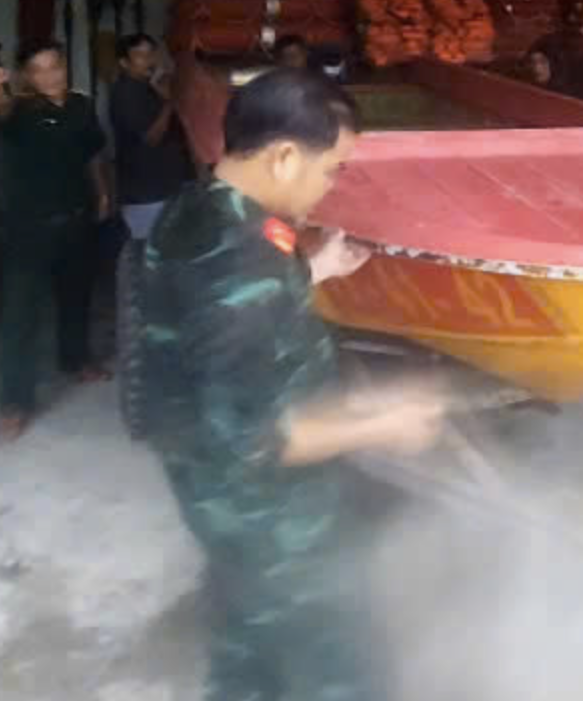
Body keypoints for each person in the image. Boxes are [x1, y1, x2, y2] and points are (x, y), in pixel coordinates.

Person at [121, 68, 447, 701]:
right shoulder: (243, 263)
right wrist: (382, 421)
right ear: (285, 155)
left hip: (209, 489)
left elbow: (226, 307)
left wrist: (309, 271)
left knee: (248, 637)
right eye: (331, 170)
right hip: (265, 511)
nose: (329, 189)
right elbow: (254, 438)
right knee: (343, 660)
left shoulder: (202, 206)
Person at [0, 42, 112, 442]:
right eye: (39, 70)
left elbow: (93, 155)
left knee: (76, 296)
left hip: (75, 218)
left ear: (64, 67)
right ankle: (13, 403)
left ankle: (76, 360)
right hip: (28, 227)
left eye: (55, 66)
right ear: (27, 77)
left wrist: (102, 193)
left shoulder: (81, 106)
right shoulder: (19, 110)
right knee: (19, 314)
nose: (50, 75)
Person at [108, 33, 189, 237]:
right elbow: (150, 138)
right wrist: (171, 101)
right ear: (124, 63)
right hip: (145, 192)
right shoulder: (124, 92)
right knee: (147, 253)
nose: (149, 60)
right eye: (140, 55)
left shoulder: (151, 87)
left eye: (151, 53)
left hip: (166, 186)